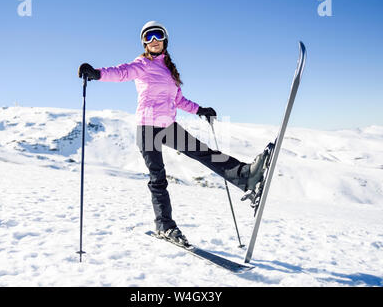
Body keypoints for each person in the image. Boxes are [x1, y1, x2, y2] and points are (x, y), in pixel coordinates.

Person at [78, 21, 268, 247]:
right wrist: (97, 74)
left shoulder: (169, 71)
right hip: (147, 129)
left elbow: (178, 100)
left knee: (205, 153)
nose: (153, 40)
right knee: (158, 178)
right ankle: (165, 225)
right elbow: (121, 73)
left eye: (157, 35)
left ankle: (245, 176)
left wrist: (200, 110)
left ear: (165, 40)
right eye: (148, 37)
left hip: (168, 126)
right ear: (144, 43)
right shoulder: (142, 64)